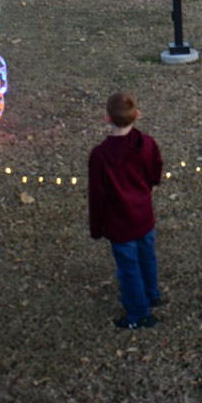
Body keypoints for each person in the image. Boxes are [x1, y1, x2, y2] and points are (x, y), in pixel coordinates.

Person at [89, 92, 164, 329]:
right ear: (137, 115)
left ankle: (139, 314)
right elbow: (156, 174)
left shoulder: (100, 156)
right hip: (144, 216)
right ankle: (151, 294)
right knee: (147, 257)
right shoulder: (148, 144)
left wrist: (96, 227)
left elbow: (97, 195)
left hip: (120, 225)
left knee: (129, 269)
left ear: (107, 118)